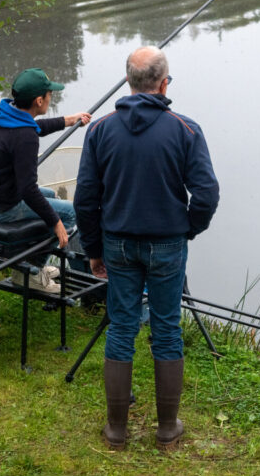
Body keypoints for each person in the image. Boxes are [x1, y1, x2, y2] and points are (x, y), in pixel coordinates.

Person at [75, 46, 219, 451]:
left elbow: (86, 198)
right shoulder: (185, 129)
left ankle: (116, 431)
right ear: (163, 83)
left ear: (128, 82)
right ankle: (167, 429)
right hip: (167, 243)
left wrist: (95, 248)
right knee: (167, 329)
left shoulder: (100, 130)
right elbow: (206, 194)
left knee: (121, 327)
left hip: (117, 243)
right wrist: (187, 229)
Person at [0, 68, 91, 263]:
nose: (52, 97)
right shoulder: (25, 137)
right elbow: (28, 189)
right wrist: (56, 221)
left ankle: (33, 253)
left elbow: (34, 128)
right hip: (0, 207)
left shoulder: (6, 115)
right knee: (70, 212)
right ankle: (37, 271)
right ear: (39, 101)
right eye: (50, 94)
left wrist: (69, 120)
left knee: (50, 196)